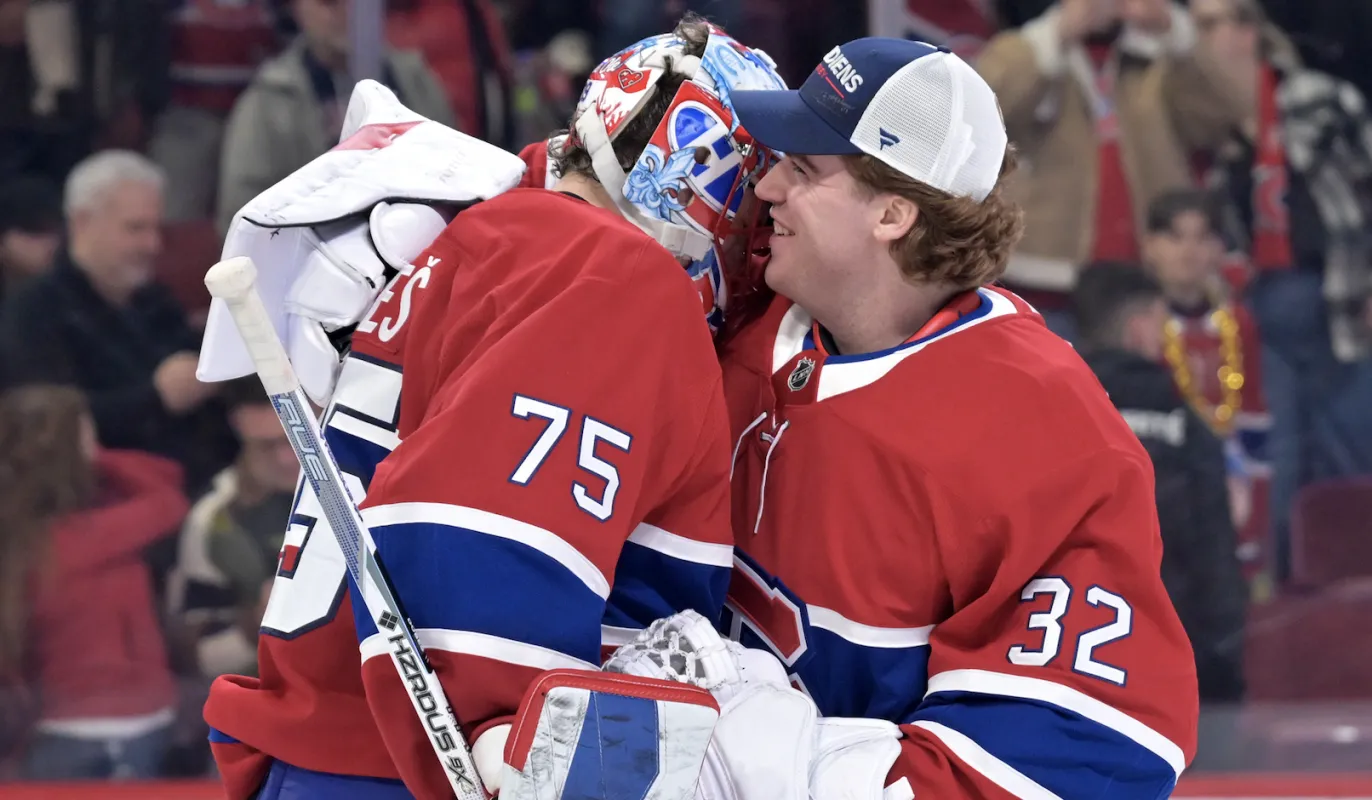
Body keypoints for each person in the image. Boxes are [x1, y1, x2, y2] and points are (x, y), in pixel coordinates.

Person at [195, 15, 786, 799]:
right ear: (703, 188)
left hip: (340, 751)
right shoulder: (608, 274)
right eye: (757, 202)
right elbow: (477, 537)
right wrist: (506, 731)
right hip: (421, 769)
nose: (764, 235)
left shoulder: (496, 237)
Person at [691, 37, 1197, 798]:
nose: (765, 190)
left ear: (892, 213)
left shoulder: (1037, 422)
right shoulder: (746, 323)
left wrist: (808, 781)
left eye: (803, 169)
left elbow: (1092, 745)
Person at [1072, 264, 1247, 768]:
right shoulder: (1183, 421)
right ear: (1141, 326)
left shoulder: (1052, 406)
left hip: (1066, 651)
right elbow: (1213, 546)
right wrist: (1224, 659)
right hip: (1170, 649)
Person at [0, 385, 189, 781]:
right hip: (104, 734)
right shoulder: (80, 538)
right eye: (88, 434)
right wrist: (96, 457)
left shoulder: (28, 539)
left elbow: (166, 481)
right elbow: (167, 496)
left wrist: (68, 453)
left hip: (79, 729)